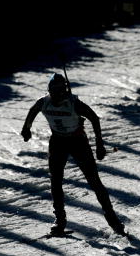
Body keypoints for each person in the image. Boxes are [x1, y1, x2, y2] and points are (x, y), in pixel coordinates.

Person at [21, 73, 126, 236]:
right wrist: (26, 128)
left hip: (78, 142)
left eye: (60, 91)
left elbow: (94, 118)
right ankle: (60, 221)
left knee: (94, 181)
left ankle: (113, 220)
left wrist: (99, 144)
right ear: (49, 91)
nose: (57, 95)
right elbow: (33, 110)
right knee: (55, 181)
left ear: (65, 91)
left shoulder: (73, 104)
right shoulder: (44, 102)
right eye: (54, 91)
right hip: (57, 142)